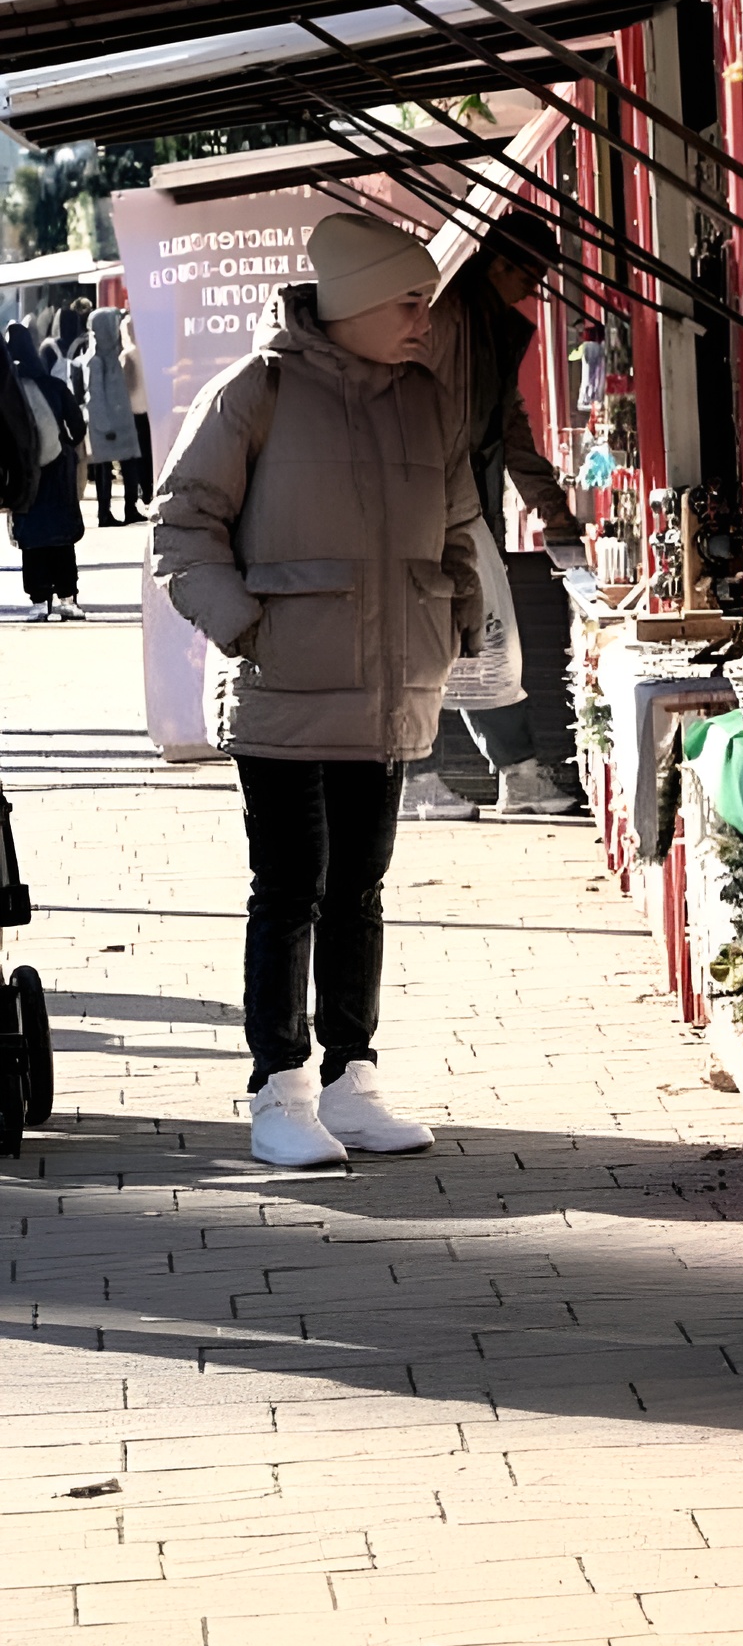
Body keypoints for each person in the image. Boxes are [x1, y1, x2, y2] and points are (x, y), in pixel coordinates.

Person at [152, 212, 484, 1170]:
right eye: (408, 301)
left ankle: (353, 1076)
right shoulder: (254, 390)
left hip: (387, 690)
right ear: (351, 305)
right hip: (286, 689)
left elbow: (458, 523)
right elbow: (182, 524)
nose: (426, 318)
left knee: (362, 890)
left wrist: (459, 611)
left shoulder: (425, 399)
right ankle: (279, 1087)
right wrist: (249, 627)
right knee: (291, 886)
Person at [435, 206, 588, 817]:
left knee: (481, 631)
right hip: (440, 499)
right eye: (529, 275)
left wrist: (550, 505)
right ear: (498, 263)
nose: (535, 288)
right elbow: (451, 422)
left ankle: (516, 772)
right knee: (443, 633)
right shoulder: (451, 317)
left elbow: (508, 421)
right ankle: (424, 779)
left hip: (459, 495)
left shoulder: (487, 320)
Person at [4, 320, 87, 620]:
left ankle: (39, 600)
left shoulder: (7, 394)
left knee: (33, 538)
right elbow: (77, 427)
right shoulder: (54, 386)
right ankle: (68, 596)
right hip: (58, 472)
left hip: (24, 475)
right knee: (61, 536)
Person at [80, 306, 143, 525]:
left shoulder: (112, 357)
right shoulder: (96, 362)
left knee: (129, 464)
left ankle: (130, 507)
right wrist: (105, 427)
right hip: (106, 426)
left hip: (121, 423)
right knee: (104, 467)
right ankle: (104, 513)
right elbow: (95, 397)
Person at [119, 313, 154, 506]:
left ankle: (142, 490)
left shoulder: (126, 355)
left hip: (132, 411)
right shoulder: (148, 352)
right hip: (149, 410)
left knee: (137, 454)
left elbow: (125, 386)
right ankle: (149, 488)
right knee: (149, 451)